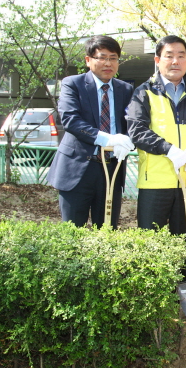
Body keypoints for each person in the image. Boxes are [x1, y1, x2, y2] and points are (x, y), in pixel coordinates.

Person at [127, 35, 186, 234]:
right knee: (151, 242)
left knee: (184, 241)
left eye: (181, 56)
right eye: (169, 56)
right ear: (157, 60)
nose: (175, 61)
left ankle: (184, 268)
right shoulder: (144, 92)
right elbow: (137, 130)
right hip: (154, 181)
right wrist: (169, 150)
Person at [47, 35, 134, 228]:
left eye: (113, 58)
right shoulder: (73, 84)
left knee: (106, 231)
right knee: (72, 232)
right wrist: (106, 138)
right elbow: (71, 120)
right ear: (88, 60)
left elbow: (132, 124)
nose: (108, 63)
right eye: (101, 57)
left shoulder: (125, 89)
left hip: (111, 169)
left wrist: (128, 141)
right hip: (77, 169)